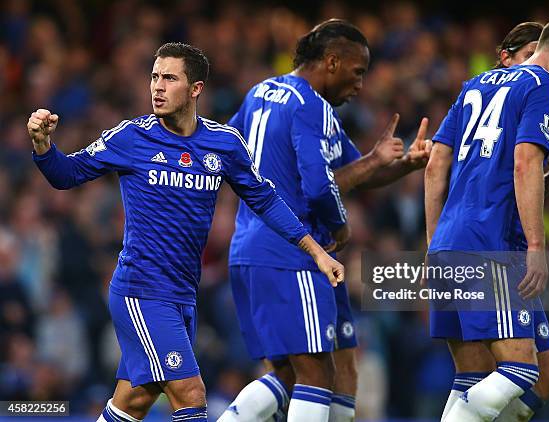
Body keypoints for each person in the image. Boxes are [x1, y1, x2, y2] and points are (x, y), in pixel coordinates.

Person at [27, 42, 344, 422]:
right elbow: (67, 174)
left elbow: (266, 200)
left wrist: (317, 252)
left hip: (183, 295)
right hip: (141, 291)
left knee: (135, 400)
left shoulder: (223, 144)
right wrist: (44, 147)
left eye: (169, 78)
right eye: (154, 77)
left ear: (196, 89)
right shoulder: (131, 138)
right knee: (190, 393)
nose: (157, 87)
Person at [218, 19, 430, 422]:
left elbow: (352, 170)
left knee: (310, 369)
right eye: (357, 72)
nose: (361, 85)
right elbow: (319, 188)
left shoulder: (263, 93)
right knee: (317, 375)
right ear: (332, 62)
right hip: (295, 252)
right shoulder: (310, 105)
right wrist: (339, 224)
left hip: (255, 249)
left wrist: (402, 164)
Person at [424, 15, 549, 421]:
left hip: (455, 238)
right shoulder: (548, 86)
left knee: (541, 378)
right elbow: (523, 162)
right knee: (520, 369)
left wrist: (436, 243)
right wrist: (538, 247)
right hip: (493, 242)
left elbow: (436, 163)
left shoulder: (476, 84)